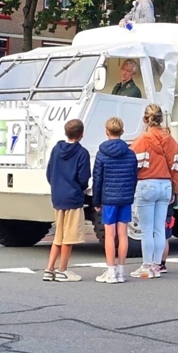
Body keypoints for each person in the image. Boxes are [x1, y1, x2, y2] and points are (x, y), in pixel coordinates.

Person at [130, 104, 178, 279]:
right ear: (161, 119)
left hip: (146, 184)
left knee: (146, 229)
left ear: (146, 119)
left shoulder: (141, 141)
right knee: (159, 228)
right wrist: (175, 189)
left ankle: (146, 267)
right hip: (166, 185)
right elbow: (177, 168)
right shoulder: (171, 141)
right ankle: (156, 265)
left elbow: (133, 166)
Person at [42, 119, 91, 282]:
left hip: (58, 196)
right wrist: (82, 187)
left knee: (59, 235)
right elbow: (83, 177)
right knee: (69, 237)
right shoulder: (82, 153)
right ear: (82, 134)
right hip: (73, 197)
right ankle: (63, 269)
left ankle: (49, 269)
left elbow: (49, 173)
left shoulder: (56, 149)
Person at [92, 116, 138, 284]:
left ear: (106, 132)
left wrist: (96, 201)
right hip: (125, 198)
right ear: (122, 131)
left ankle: (110, 271)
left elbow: (97, 179)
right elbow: (134, 177)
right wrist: (130, 195)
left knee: (110, 235)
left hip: (109, 198)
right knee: (123, 234)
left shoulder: (101, 154)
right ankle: (121, 271)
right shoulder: (130, 153)